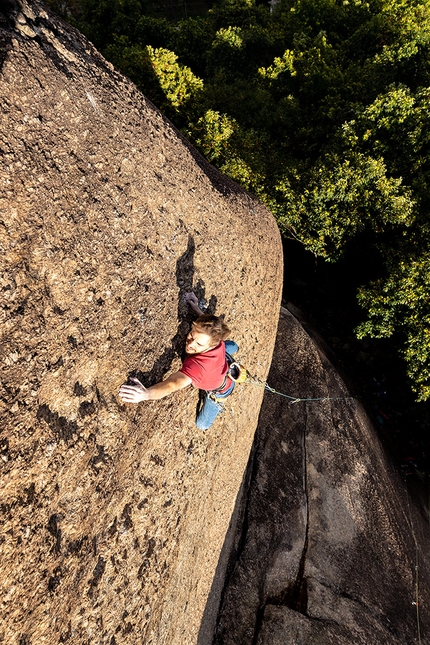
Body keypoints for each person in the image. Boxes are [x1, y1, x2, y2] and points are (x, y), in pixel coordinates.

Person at [118, 292, 238, 430]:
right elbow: (208, 331)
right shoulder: (215, 340)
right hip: (222, 360)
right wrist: (197, 309)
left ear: (211, 345)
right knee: (230, 346)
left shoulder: (197, 368)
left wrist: (146, 394)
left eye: (198, 345)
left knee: (202, 425)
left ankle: (217, 396)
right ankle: (232, 350)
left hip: (221, 389)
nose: (190, 344)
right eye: (191, 335)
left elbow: (172, 385)